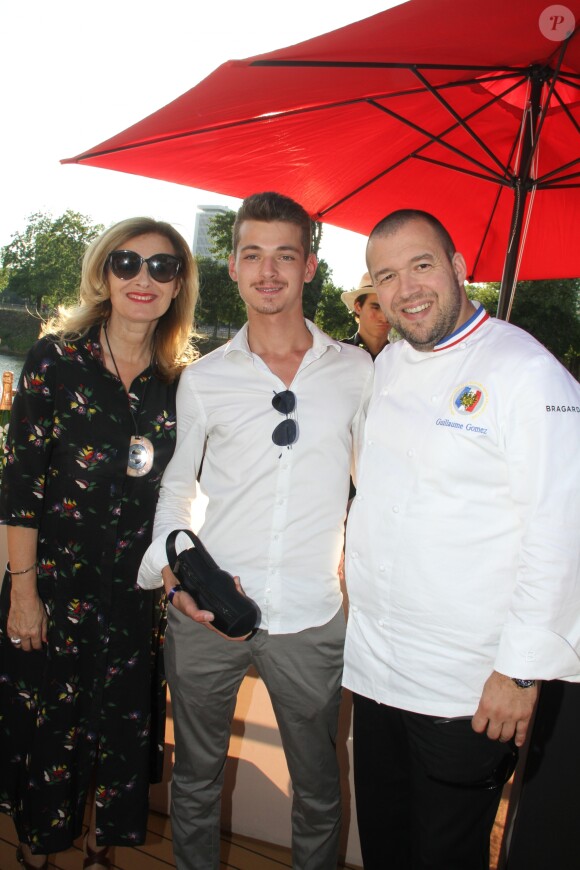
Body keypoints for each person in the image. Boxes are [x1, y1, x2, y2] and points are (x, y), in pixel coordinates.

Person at [138, 191, 373, 870]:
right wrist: (177, 581)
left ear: (310, 268)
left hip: (313, 618)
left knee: (320, 790)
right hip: (207, 613)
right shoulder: (205, 380)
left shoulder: (357, 373)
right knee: (195, 783)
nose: (268, 271)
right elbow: (177, 490)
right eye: (252, 255)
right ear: (233, 267)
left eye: (285, 255)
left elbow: (380, 490)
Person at [342, 209, 580, 870]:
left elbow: (562, 533)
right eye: (386, 275)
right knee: (385, 847)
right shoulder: (388, 364)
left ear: (457, 267)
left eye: (421, 265)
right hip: (377, 671)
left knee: (445, 855)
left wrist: (520, 670)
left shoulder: (527, 372)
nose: (407, 287)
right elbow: (380, 490)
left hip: (467, 689)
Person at [0, 217, 198, 869]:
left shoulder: (181, 383)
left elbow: (193, 490)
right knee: (47, 720)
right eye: (128, 263)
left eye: (163, 267)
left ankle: (99, 848)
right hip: (51, 582)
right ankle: (37, 848)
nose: (144, 278)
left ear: (178, 287)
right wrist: (23, 592)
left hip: (133, 592)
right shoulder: (56, 358)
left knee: (117, 724)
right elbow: (21, 483)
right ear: (103, 273)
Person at [340, 272, 391, 359]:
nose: (384, 317)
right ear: (358, 307)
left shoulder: (401, 358)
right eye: (376, 307)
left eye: (389, 309)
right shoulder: (337, 354)